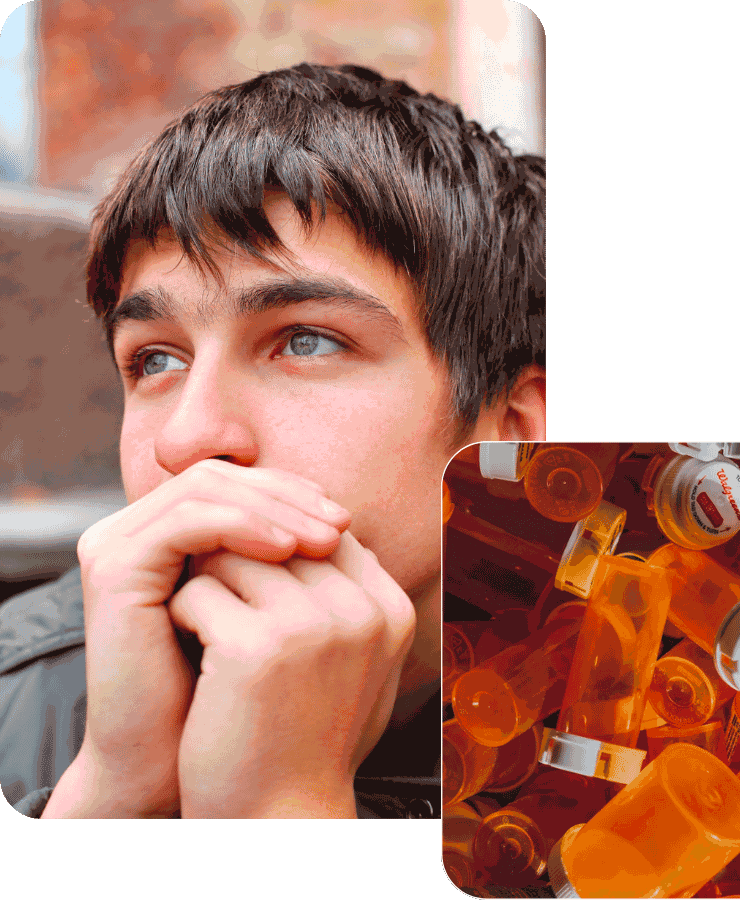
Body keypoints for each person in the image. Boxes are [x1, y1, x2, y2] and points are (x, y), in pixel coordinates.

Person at [0, 62, 545, 818]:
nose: (187, 439)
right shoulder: (15, 692)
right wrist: (114, 790)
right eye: (155, 360)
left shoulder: (665, 731)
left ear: (514, 434)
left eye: (306, 341)